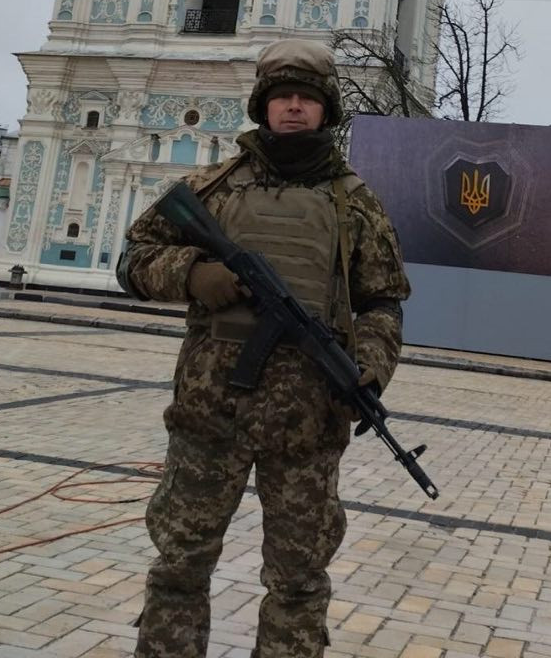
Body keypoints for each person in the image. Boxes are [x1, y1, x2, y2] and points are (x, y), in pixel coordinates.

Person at [117, 38, 411, 658]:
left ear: (326, 110)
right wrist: (192, 273)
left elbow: (382, 303)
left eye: (307, 98)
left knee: (300, 582)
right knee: (179, 566)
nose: (295, 108)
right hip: (209, 418)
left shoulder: (355, 203)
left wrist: (371, 370)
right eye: (283, 98)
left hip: (306, 425)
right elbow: (135, 259)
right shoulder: (211, 188)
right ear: (263, 106)